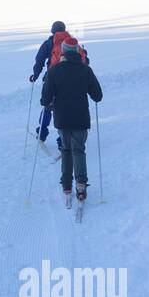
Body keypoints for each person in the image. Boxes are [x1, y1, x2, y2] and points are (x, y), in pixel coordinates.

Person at [39, 37, 103, 201]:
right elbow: (98, 96)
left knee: (66, 150)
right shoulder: (85, 70)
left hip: (62, 118)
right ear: (76, 51)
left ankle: (66, 185)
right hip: (81, 118)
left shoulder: (54, 71)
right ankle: (81, 185)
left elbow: (45, 99)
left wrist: (47, 102)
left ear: (63, 51)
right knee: (79, 150)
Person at [29, 21, 89, 143]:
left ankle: (42, 133)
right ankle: (62, 140)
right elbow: (85, 61)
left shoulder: (50, 42)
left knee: (47, 106)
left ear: (53, 31)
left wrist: (35, 75)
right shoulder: (72, 42)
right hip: (72, 80)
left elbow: (39, 59)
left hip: (52, 78)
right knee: (63, 109)